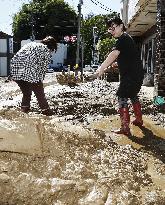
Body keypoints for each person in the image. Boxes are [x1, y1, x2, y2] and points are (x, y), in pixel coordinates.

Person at [88, 17, 144, 136]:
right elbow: (127, 58)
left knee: (121, 97)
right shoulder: (127, 39)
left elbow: (113, 54)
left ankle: (125, 128)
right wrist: (116, 64)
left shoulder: (122, 39)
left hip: (130, 76)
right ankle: (139, 120)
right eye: (109, 29)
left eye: (113, 28)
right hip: (136, 75)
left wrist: (100, 70)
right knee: (133, 95)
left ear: (121, 26)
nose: (111, 31)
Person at [10, 36, 57, 116]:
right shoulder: (46, 50)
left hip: (15, 69)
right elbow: (42, 70)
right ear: (52, 46)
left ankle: (24, 110)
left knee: (27, 92)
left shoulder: (31, 44)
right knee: (39, 93)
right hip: (29, 69)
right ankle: (46, 110)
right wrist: (39, 84)